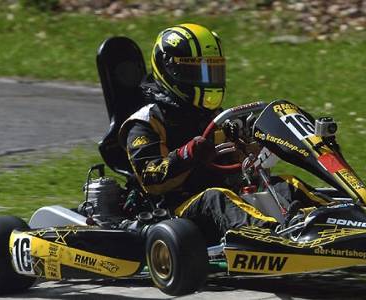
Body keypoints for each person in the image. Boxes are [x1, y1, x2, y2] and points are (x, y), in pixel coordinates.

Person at [119, 24, 329, 245]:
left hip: (229, 198)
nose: (207, 79)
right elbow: (151, 180)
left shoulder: (213, 116)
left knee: (285, 184)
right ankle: (271, 236)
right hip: (174, 210)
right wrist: (187, 154)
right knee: (216, 197)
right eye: (196, 71)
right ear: (170, 70)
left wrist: (253, 148)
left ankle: (332, 221)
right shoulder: (145, 122)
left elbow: (239, 163)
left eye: (213, 71)